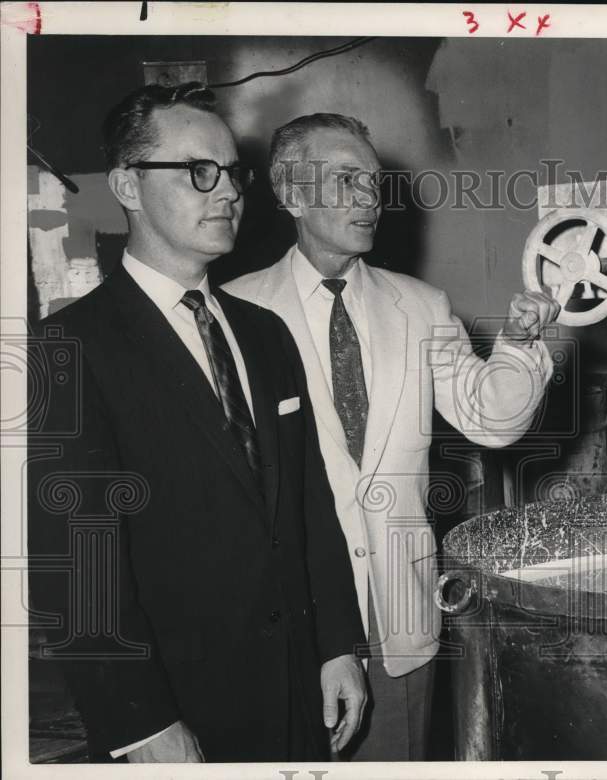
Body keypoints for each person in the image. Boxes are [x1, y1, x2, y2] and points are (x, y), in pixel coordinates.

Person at [27, 84, 367, 763]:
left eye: (233, 173)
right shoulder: (67, 348)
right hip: (179, 710)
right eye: (196, 172)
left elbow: (309, 506)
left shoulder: (264, 334)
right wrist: (141, 724)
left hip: (298, 694)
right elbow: (76, 562)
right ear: (127, 184)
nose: (228, 192)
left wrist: (338, 646)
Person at [224, 113, 560, 760]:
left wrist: (519, 345)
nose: (369, 198)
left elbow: (490, 419)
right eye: (346, 179)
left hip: (395, 614)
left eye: (374, 183)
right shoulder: (236, 309)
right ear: (291, 194)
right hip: (284, 610)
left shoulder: (420, 306)